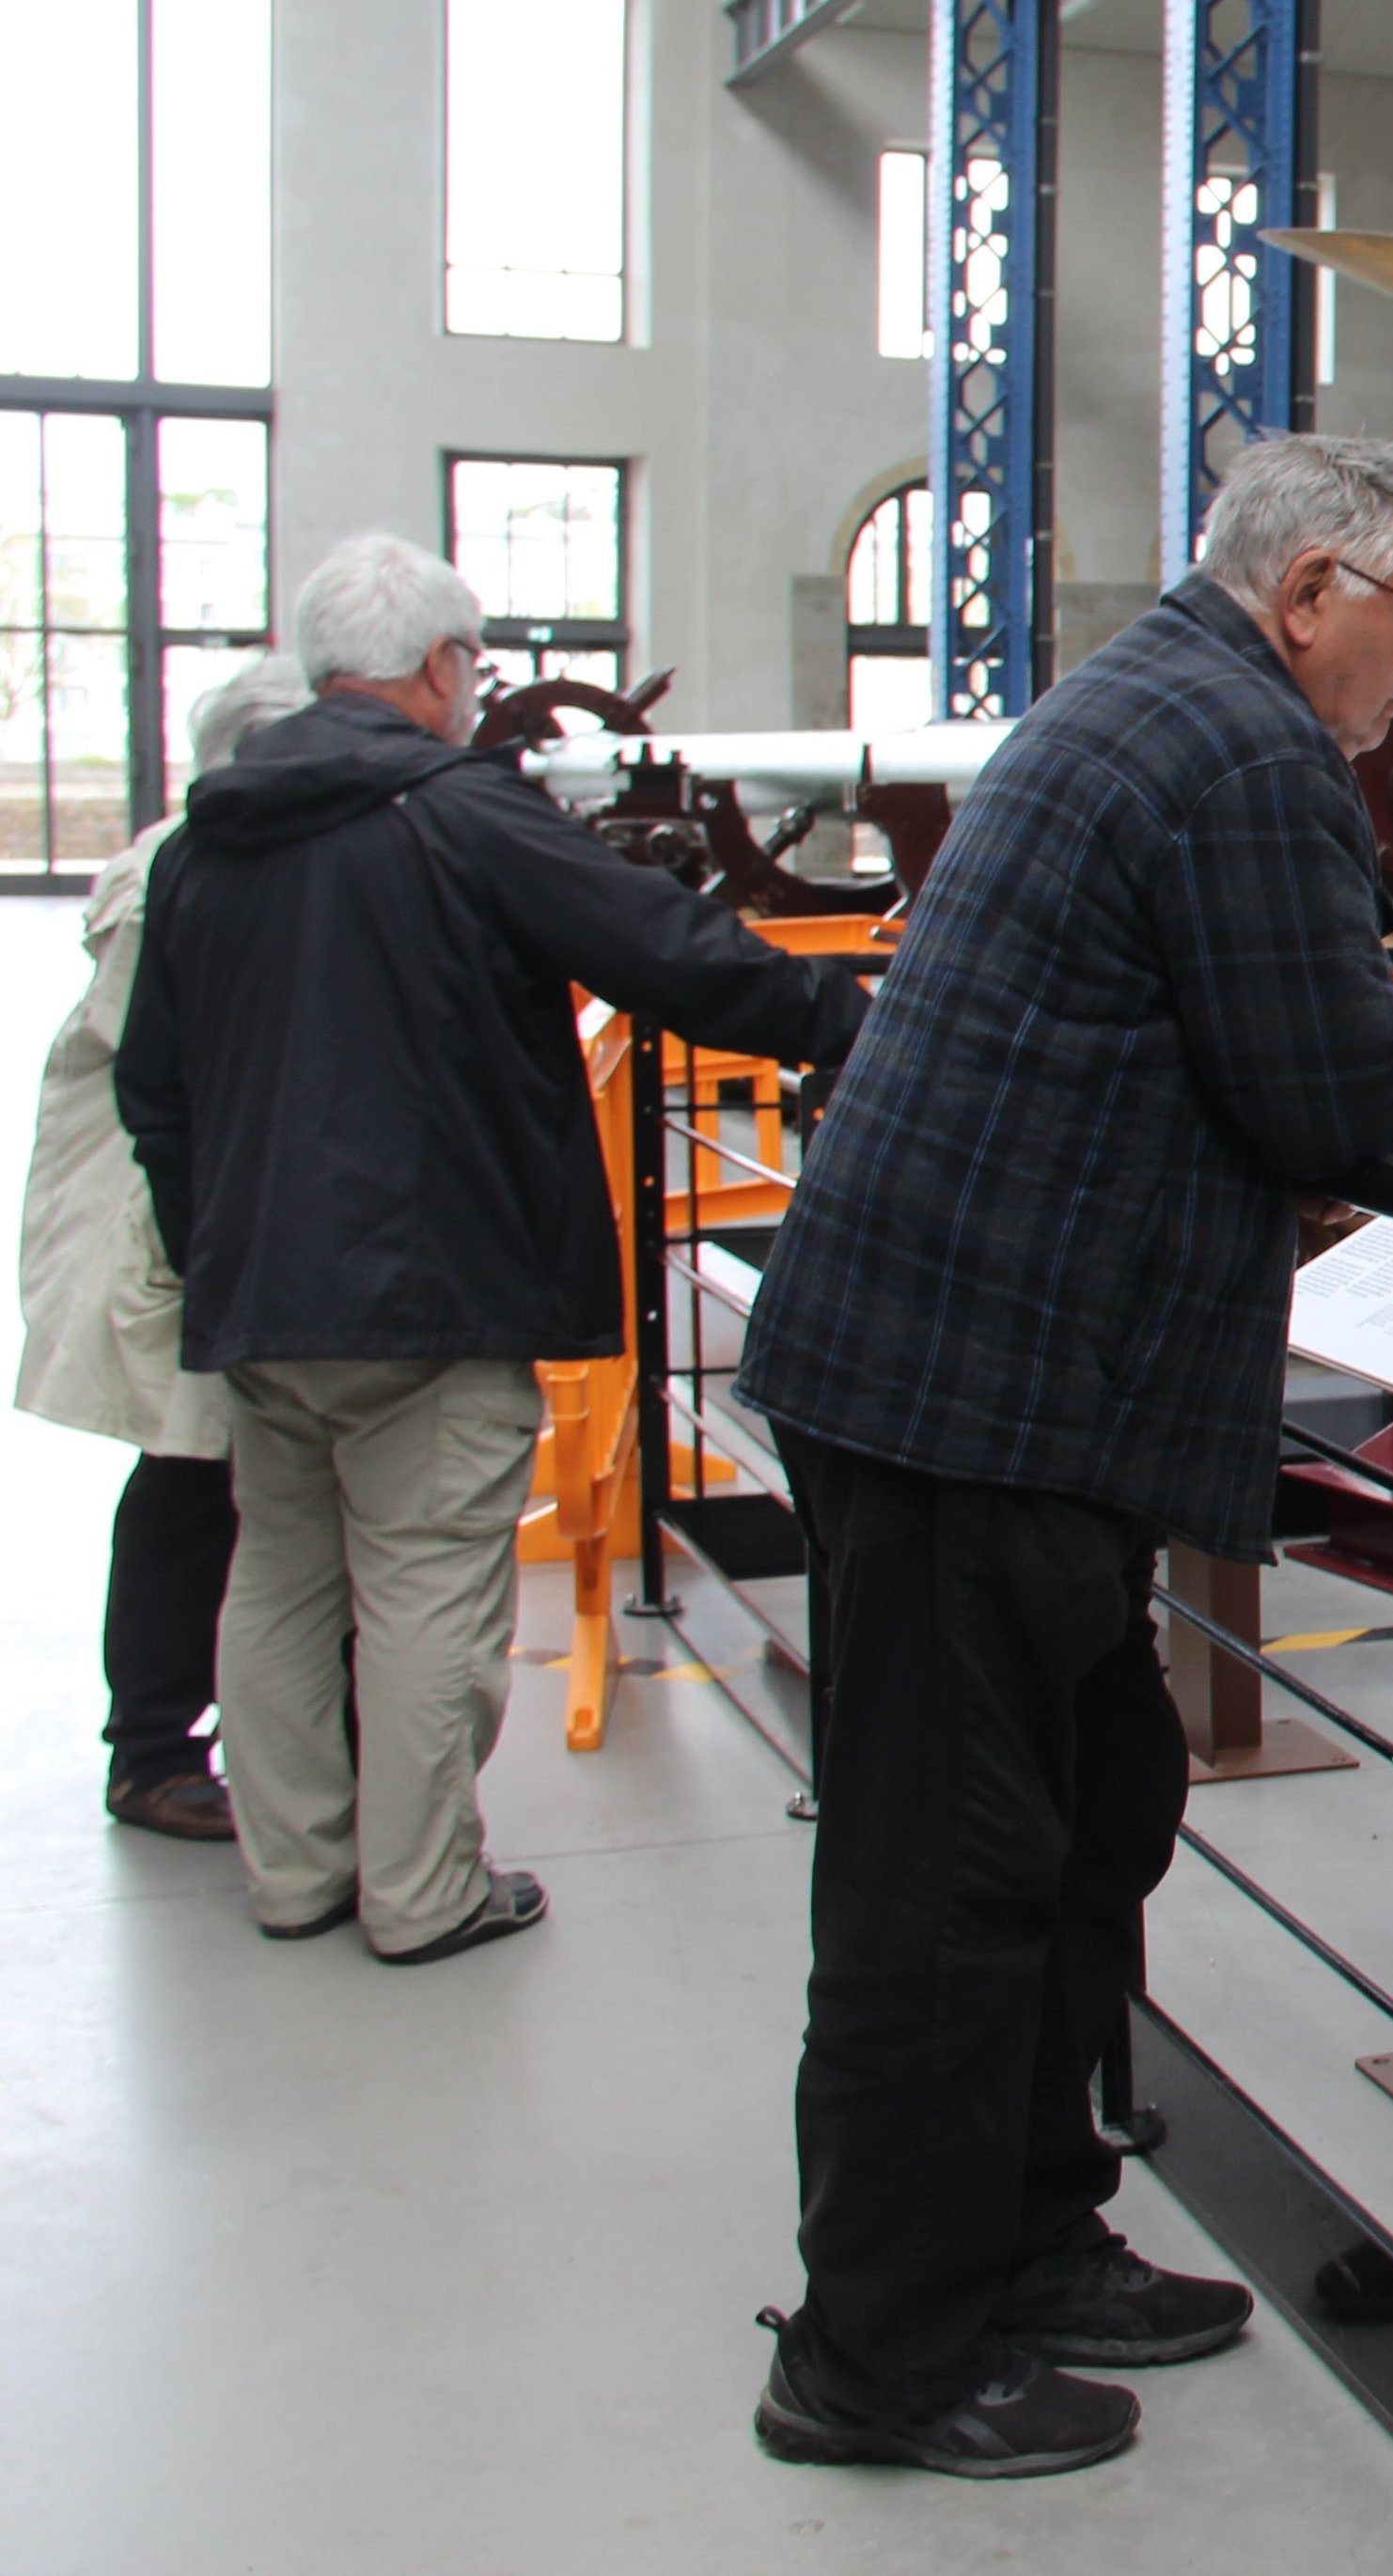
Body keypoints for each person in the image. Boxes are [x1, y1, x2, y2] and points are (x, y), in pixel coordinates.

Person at [736, 435, 1393, 2479]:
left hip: (976, 1381)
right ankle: (873, 2356)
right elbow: (1335, 1085)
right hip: (975, 1395)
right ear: (1314, 588)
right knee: (950, 1886)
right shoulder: (1240, 752)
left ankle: (1032, 2236)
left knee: (1079, 1826)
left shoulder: (1141, 691)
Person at [114, 536, 869, 1965]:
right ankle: (422, 1891)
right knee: (422, 1590)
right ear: (446, 666)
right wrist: (855, 1017)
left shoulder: (208, 839)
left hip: (255, 1292)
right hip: (430, 1289)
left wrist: (213, 1238)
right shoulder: (459, 814)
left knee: (276, 1581)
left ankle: (296, 1877)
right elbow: (670, 951)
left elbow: (152, 1085)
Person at [19, 652, 310, 1840]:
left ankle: (229, 1732)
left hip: (202, 1217)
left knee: (227, 1481)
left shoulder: (218, 858)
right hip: (163, 1228)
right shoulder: (172, 876)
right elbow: (174, 1077)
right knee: (190, 1481)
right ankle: (149, 1749)